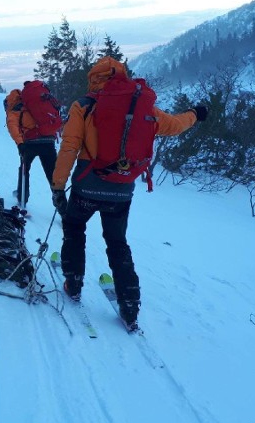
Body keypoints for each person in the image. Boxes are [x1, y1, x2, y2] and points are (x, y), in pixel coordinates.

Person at [51, 56, 208, 331]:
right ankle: (130, 305)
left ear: (93, 78)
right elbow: (174, 125)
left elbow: (69, 147)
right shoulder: (140, 106)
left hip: (87, 185)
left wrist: (57, 186)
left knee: (74, 228)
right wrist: (195, 113)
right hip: (121, 190)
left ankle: (73, 283)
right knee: (117, 243)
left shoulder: (84, 105)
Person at [5, 84, 60, 208]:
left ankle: (22, 198)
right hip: (48, 141)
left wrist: (20, 143)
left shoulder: (17, 108)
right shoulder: (37, 104)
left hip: (29, 143)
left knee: (24, 169)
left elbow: (12, 126)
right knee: (53, 174)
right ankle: (61, 205)